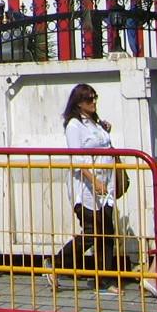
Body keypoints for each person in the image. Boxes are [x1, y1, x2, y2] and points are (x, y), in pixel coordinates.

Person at [53, 83, 129, 292]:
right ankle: (57, 263)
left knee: (107, 231)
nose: (93, 102)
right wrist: (93, 180)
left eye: (95, 98)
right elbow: (77, 158)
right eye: (89, 99)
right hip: (86, 186)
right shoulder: (74, 126)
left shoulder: (96, 124)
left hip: (106, 184)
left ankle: (104, 278)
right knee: (91, 231)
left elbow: (106, 147)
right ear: (78, 103)